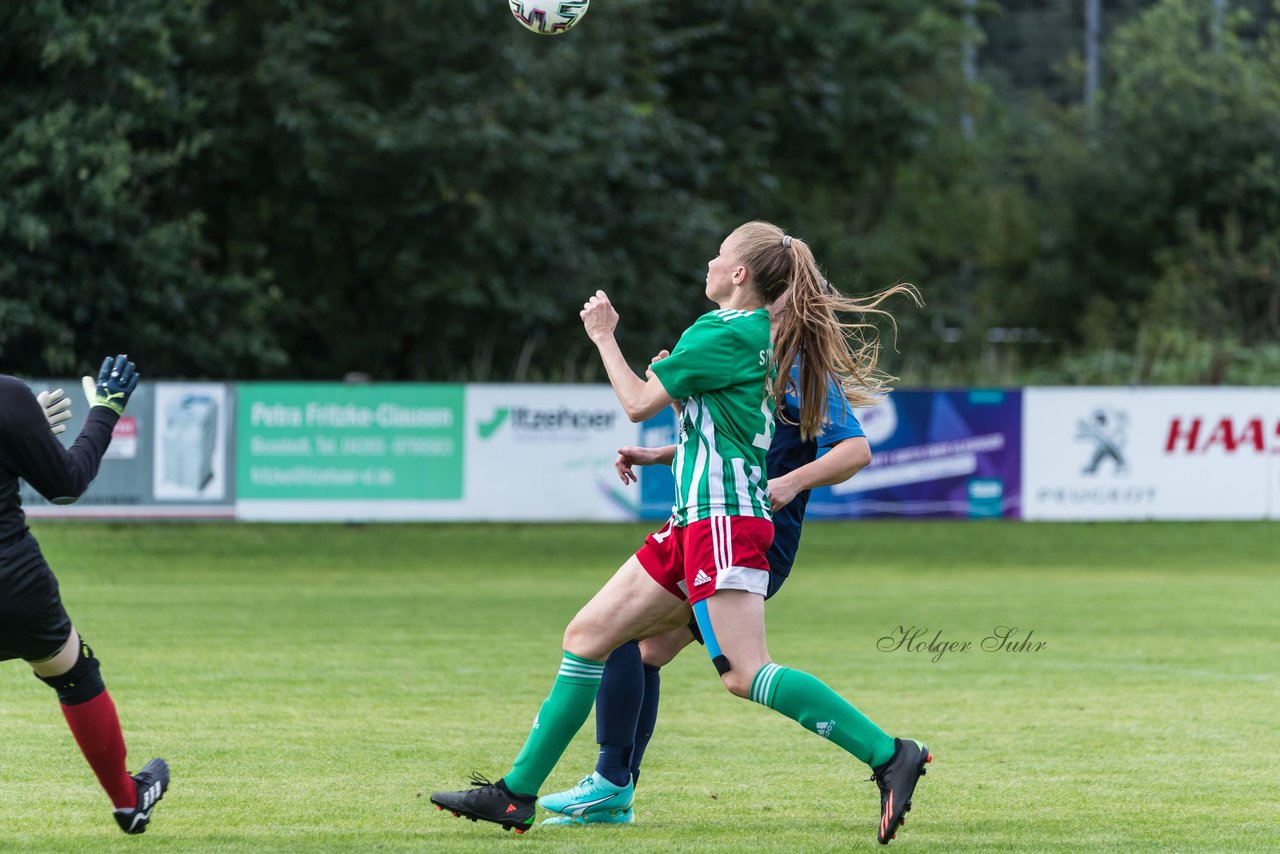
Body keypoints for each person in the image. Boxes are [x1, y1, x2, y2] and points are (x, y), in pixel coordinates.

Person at [431, 221, 931, 845]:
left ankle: (890, 755)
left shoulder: (727, 334)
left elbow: (637, 401)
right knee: (591, 636)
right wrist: (669, 437)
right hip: (695, 521)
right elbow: (723, 424)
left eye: (719, 255)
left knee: (745, 674)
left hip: (722, 522)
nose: (710, 262)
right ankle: (519, 795)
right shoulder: (759, 341)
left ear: (740, 274)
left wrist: (604, 337)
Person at [537, 283, 877, 829]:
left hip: (747, 532)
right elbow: (735, 438)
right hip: (725, 525)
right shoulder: (754, 353)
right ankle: (612, 788)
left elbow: (855, 449)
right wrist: (665, 447)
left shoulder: (799, 368)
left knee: (714, 665)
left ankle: (611, 785)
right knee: (638, 648)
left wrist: (788, 483)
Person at [0, 356, 170, 835]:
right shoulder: (7, 397)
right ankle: (127, 800)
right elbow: (67, 483)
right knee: (75, 676)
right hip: (13, 586)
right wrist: (106, 411)